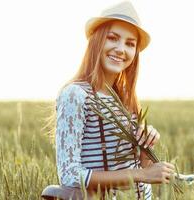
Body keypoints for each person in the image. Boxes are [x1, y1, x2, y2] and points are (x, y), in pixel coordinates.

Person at [55, 1, 175, 199]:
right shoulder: (75, 95)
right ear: (97, 41)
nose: (121, 49)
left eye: (130, 43)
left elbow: (141, 168)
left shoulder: (127, 99)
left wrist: (147, 145)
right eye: (113, 38)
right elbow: (69, 175)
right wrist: (140, 174)